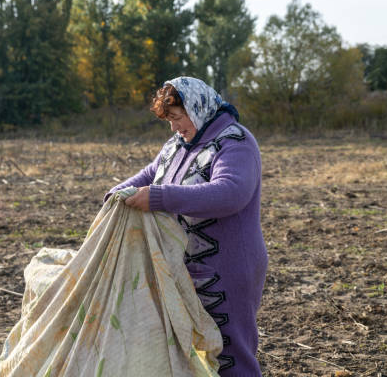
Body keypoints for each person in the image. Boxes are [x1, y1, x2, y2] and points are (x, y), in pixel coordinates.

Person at [105, 76, 268, 376]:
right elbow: (150, 174)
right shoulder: (178, 145)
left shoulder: (235, 142)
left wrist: (159, 198)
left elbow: (230, 193)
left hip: (228, 269)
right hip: (183, 270)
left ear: (198, 108)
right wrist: (116, 195)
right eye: (169, 120)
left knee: (229, 352)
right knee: (192, 355)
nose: (174, 127)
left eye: (178, 118)